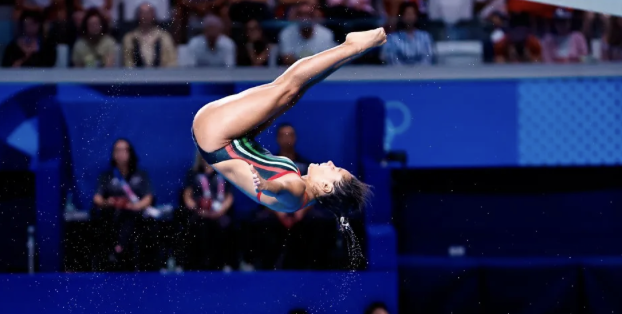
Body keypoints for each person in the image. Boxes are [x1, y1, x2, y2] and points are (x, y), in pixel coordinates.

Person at [191, 28, 383, 226]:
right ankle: (353, 50)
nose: (332, 163)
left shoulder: (298, 190)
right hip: (226, 139)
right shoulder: (300, 190)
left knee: (288, 88)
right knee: (294, 93)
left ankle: (354, 46)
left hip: (217, 134)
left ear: (326, 187)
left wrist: (268, 185)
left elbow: (284, 188)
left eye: (336, 170)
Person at [92, 138, 154, 271]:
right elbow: (97, 198)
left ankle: (120, 249)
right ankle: (115, 251)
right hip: (112, 215)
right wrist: (108, 202)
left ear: (130, 153)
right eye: (117, 150)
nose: (120, 153)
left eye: (124, 150)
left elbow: (148, 197)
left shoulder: (140, 175)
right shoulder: (106, 176)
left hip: (134, 215)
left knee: (130, 216)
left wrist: (134, 206)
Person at [178, 152, 235, 270]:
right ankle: (196, 264)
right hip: (199, 211)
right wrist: (198, 208)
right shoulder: (193, 173)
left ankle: (224, 264)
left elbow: (229, 196)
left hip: (219, 212)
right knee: (196, 226)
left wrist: (220, 211)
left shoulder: (223, 173)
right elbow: (187, 195)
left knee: (226, 225)